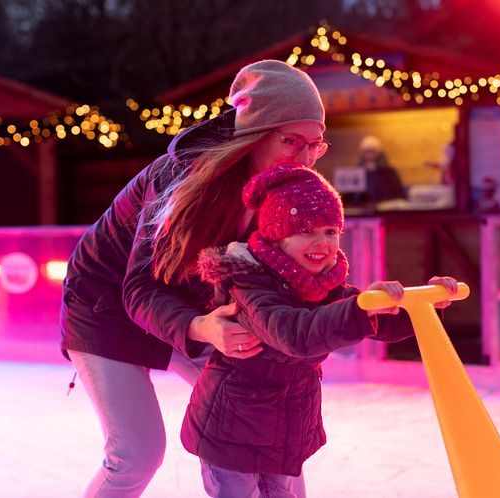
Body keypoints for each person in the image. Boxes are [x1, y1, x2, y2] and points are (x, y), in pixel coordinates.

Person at [59, 59, 330, 497]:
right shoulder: (185, 178)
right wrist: (201, 326)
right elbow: (140, 286)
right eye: (291, 142)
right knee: (136, 454)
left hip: (183, 305)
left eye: (315, 145)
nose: (304, 159)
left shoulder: (290, 192)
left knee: (268, 417)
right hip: (104, 308)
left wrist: (372, 305)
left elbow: (299, 274)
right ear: (253, 134)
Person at [181, 165, 458, 497]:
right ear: (276, 235)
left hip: (281, 432)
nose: (322, 243)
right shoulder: (250, 286)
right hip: (229, 433)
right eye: (307, 231)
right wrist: (359, 309)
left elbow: (382, 321)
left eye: (330, 231)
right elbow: (294, 333)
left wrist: (426, 304)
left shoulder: (322, 284)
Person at [344, 135, 405, 207]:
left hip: (385, 210)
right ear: (362, 152)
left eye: (373, 151)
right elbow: (348, 198)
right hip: (361, 212)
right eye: (367, 151)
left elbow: (399, 194)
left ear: (379, 152)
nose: (369, 155)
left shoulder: (390, 173)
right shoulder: (354, 173)